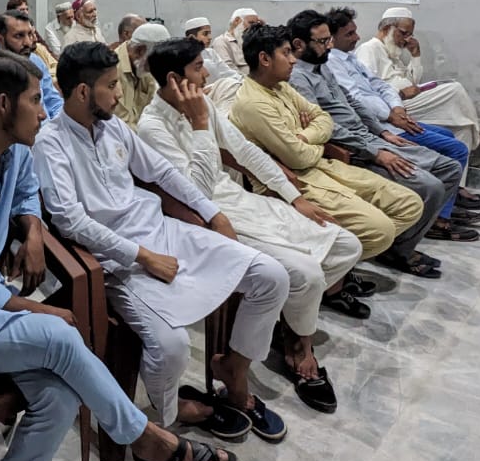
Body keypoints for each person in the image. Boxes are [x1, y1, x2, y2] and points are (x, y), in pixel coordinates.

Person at [0, 49, 240, 461]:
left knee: (59, 396)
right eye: (35, 100)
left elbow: (25, 192)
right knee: (59, 332)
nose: (43, 113)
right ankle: (147, 439)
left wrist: (34, 232)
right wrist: (39, 309)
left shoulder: (14, 149)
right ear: (4, 104)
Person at [35, 41, 290, 442]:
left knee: (272, 277)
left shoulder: (114, 127)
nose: (120, 95)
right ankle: (170, 414)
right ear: (83, 92)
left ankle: (234, 371)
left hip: (163, 231)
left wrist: (213, 213)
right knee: (171, 347)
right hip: (119, 261)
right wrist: (142, 256)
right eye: (111, 86)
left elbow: (163, 173)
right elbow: (70, 220)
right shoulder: (51, 143)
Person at [136, 38, 365, 411]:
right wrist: (199, 125)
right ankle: (298, 346)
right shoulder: (152, 126)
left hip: (240, 201)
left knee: (347, 245)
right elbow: (195, 193)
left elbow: (243, 151)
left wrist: (293, 198)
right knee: (306, 273)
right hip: (209, 217)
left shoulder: (203, 103)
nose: (206, 74)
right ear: (176, 79)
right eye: (198, 67)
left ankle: (285, 321)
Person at [228, 25, 434, 276]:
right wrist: (315, 140)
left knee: (409, 204)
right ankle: (331, 269)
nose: (293, 60)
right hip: (293, 180)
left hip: (322, 165)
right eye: (286, 53)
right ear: (264, 59)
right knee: (380, 231)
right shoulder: (253, 103)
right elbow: (298, 158)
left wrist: (305, 136)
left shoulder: (281, 86)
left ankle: (340, 256)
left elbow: (323, 118)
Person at [286, 10, 473, 271]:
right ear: (299, 44)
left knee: (450, 168)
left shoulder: (323, 65)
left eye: (329, 39)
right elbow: (325, 125)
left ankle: (406, 239)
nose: (329, 46)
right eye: (323, 41)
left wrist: (382, 132)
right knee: (431, 186)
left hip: (372, 135)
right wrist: (375, 150)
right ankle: (399, 251)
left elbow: (352, 102)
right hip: (355, 148)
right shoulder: (297, 77)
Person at [326, 7, 480, 222]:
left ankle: (445, 201)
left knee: (449, 134)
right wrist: (391, 115)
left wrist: (398, 108)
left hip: (394, 112)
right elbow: (356, 99)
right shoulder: (350, 56)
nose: (357, 37)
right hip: (382, 121)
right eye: (350, 34)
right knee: (455, 134)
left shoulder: (353, 58)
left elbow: (381, 85)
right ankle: (439, 218)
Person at [355, 7, 480, 156]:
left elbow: (412, 84)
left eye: (410, 35)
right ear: (386, 29)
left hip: (407, 101)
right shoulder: (369, 49)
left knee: (464, 129)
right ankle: (478, 134)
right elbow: (366, 89)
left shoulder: (392, 52)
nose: (407, 39)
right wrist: (399, 93)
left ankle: (461, 163)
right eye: (404, 33)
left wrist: (415, 55)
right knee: (455, 89)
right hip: (393, 107)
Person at [0, 10, 63, 120]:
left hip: (47, 127)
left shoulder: (35, 61)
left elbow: (53, 101)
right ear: (0, 39)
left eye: (29, 34)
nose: (28, 42)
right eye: (19, 36)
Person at [113, 22, 170, 127]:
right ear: (139, 51)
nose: (158, 66)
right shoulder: (113, 70)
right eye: (156, 60)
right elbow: (122, 123)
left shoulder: (142, 66)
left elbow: (154, 110)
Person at [185, 16, 241, 84]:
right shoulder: (184, 56)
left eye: (210, 33)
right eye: (205, 34)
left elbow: (227, 72)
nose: (210, 37)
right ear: (192, 37)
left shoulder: (211, 52)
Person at [210, 8, 262, 75]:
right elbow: (227, 70)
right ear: (237, 21)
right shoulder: (221, 42)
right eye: (251, 23)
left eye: (256, 24)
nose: (254, 27)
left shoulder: (254, 42)